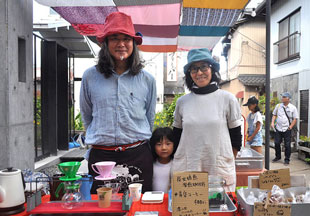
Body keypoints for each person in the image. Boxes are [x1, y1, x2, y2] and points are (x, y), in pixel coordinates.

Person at [80, 12, 157, 193]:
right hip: (101, 156)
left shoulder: (147, 80)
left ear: (133, 44)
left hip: (138, 155)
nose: (121, 44)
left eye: (126, 39)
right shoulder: (90, 76)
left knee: (139, 210)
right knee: (103, 211)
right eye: (114, 38)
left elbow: (149, 117)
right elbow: (87, 114)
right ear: (105, 44)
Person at [172, 48, 242, 192]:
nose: (199, 73)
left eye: (204, 67)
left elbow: (236, 136)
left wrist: (227, 159)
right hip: (189, 167)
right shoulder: (182, 102)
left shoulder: (227, 99)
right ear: (189, 74)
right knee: (192, 210)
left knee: (219, 208)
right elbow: (177, 135)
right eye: (194, 69)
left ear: (212, 69)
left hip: (218, 168)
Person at [271, 92, 298, 165]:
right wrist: (272, 123)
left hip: (287, 129)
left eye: (284, 97)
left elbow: (295, 119)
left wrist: (290, 127)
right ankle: (278, 156)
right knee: (276, 143)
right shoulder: (278, 106)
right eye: (282, 97)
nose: (282, 98)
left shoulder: (293, 108)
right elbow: (274, 115)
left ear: (288, 99)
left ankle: (287, 159)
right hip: (278, 128)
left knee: (287, 145)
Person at [150, 127, 175, 193]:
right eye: (159, 144)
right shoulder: (150, 165)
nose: (164, 148)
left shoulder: (176, 165)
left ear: (174, 145)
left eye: (168, 144)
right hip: (154, 201)